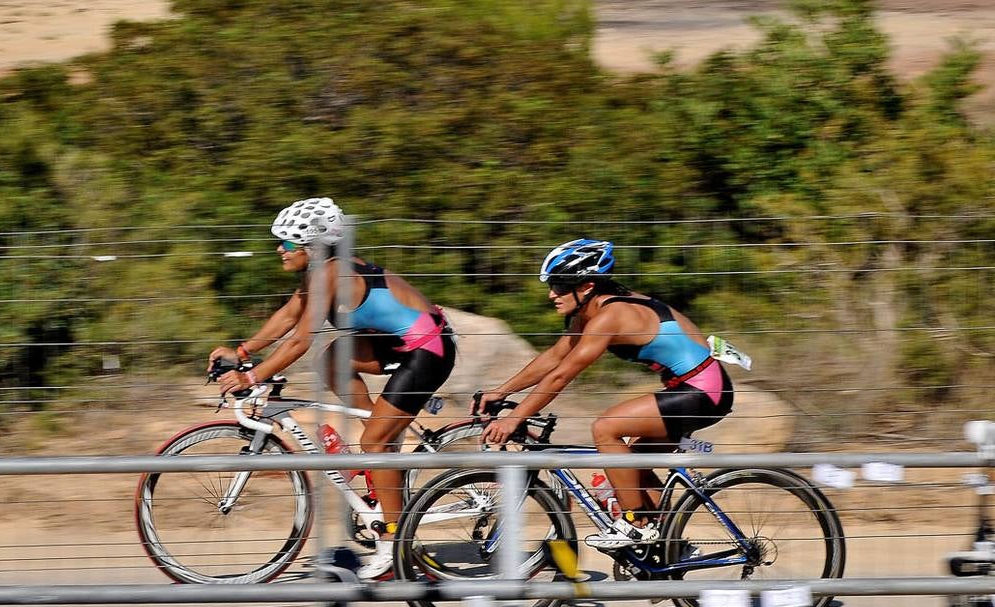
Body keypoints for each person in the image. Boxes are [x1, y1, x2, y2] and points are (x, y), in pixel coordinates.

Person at [209, 198, 457, 579]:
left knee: (373, 442)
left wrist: (252, 376)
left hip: (428, 350)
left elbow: (298, 341)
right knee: (330, 360)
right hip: (401, 342)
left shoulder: (330, 273)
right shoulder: (320, 274)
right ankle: (383, 443)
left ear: (312, 248)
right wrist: (242, 350)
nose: (280, 249)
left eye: (287, 244)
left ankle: (395, 546)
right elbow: (288, 316)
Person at [479, 238, 734, 550]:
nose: (551, 294)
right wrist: (501, 391)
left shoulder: (611, 316)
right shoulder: (592, 311)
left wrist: (515, 418)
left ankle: (634, 523)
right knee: (634, 465)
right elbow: (554, 357)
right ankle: (665, 547)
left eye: (559, 286)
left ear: (586, 286)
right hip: (690, 388)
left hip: (704, 391)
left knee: (606, 427)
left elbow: (561, 375)